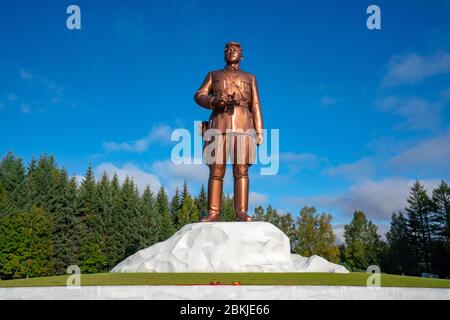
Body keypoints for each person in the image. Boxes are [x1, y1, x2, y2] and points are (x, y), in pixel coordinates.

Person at [194, 41, 264, 222]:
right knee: (216, 169)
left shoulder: (250, 77)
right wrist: (214, 100)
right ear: (224, 54)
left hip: (243, 125)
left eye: (236, 50)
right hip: (219, 124)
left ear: (242, 56)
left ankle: (241, 211)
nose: (232, 52)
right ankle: (213, 212)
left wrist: (259, 131)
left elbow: (255, 105)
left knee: (241, 169)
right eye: (229, 50)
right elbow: (199, 95)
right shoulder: (213, 74)